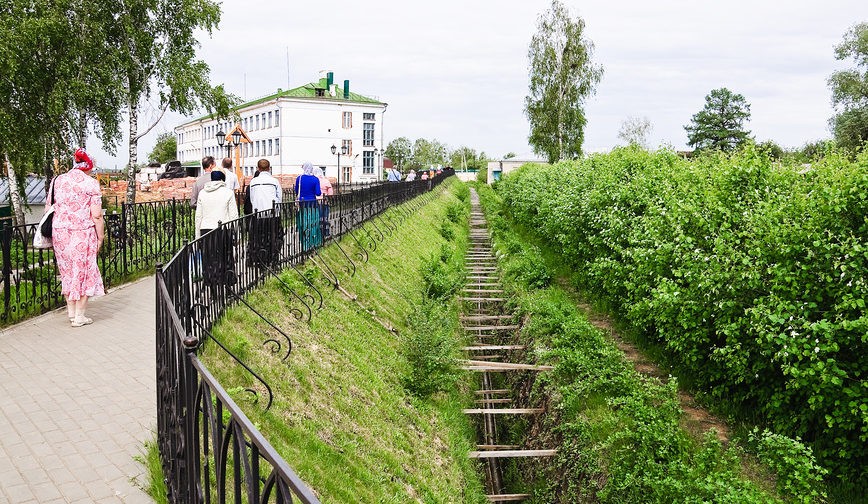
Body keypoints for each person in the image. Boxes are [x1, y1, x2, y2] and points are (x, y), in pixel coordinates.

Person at [52, 148, 105, 327]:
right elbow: (96, 215)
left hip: (59, 233)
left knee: (67, 271)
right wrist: (101, 237)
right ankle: (80, 316)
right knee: (84, 272)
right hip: (81, 232)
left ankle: (71, 312)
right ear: (88, 167)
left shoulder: (58, 181)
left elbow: (49, 208)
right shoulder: (90, 184)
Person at [247, 159, 283, 266]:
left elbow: (252, 199)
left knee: (260, 237)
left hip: (258, 214)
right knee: (273, 236)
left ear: (258, 168)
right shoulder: (274, 181)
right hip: (273, 214)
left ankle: (261, 259)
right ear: (269, 168)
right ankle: (273, 258)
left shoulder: (253, 182)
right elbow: (279, 198)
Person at [195, 171, 238, 238]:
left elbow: (198, 216)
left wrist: (197, 235)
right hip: (224, 228)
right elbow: (233, 215)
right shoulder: (228, 192)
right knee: (224, 249)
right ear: (222, 180)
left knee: (208, 248)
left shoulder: (202, 193)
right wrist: (236, 234)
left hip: (206, 229)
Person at [294, 162, 322, 251]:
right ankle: (313, 243)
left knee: (303, 224)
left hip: (302, 205)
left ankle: (305, 245)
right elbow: (318, 193)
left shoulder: (299, 178)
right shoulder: (315, 179)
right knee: (313, 223)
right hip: (312, 205)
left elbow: (296, 191)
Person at [313, 166, 333, 238]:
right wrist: (328, 198)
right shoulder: (326, 181)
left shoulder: (315, 181)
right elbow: (330, 193)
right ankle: (326, 232)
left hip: (317, 201)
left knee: (319, 217)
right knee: (325, 217)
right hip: (325, 201)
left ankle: (319, 232)